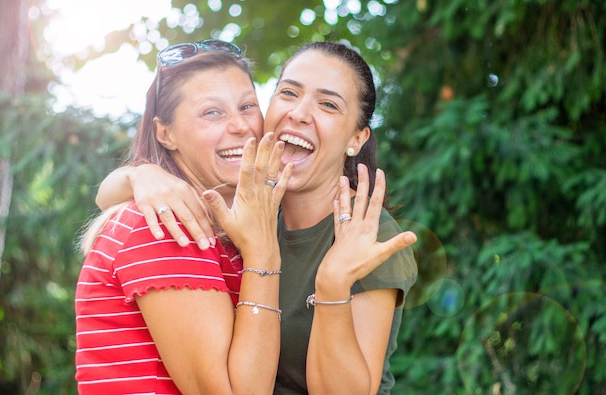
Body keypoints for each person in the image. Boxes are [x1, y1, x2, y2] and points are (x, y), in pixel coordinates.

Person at [96, 41, 418, 394]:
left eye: (327, 104)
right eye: (289, 93)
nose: (299, 113)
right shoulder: (254, 206)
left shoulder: (366, 233)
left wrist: (332, 285)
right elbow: (109, 200)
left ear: (356, 138)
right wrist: (139, 176)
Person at [75, 40, 294, 395]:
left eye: (247, 106)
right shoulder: (167, 227)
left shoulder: (226, 231)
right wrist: (264, 253)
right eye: (212, 112)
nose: (240, 125)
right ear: (166, 134)